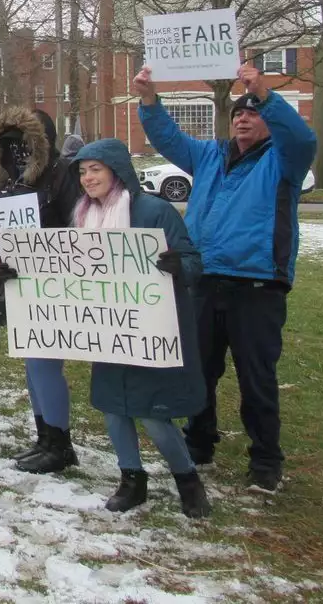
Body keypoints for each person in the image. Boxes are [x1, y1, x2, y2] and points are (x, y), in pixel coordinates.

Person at [134, 64, 315, 494]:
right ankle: (200, 440)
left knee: (256, 376)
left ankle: (266, 460)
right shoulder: (210, 155)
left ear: (269, 120)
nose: (243, 118)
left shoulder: (284, 161)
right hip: (205, 281)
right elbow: (169, 139)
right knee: (200, 370)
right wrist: (148, 100)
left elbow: (303, 137)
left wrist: (266, 93)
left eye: (253, 113)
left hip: (256, 286)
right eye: (238, 113)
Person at [67, 139, 212, 517]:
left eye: (95, 169)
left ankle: (187, 479)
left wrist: (178, 265)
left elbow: (193, 262)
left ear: (117, 170)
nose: (87, 178)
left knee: (152, 412)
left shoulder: (154, 211)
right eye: (83, 171)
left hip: (150, 330)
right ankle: (132, 479)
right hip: (109, 330)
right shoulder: (83, 216)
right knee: (114, 408)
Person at [0, 106, 82, 473]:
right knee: (32, 363)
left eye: (24, 145)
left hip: (54, 282)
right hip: (21, 281)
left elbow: (78, 229)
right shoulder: (11, 181)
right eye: (8, 145)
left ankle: (60, 442)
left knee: (44, 364)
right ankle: (45, 436)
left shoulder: (62, 175)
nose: (17, 152)